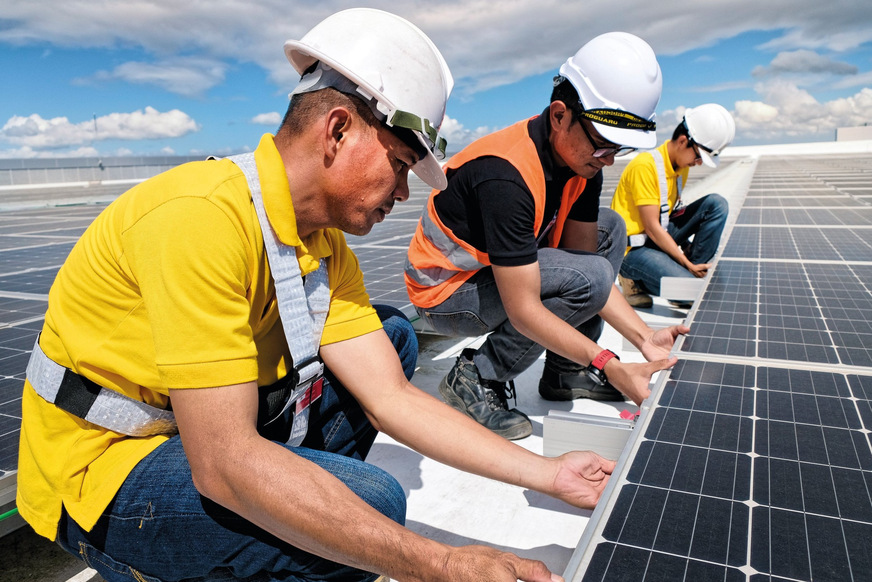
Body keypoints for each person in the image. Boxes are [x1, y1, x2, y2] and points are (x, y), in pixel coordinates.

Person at [17, 9, 616, 582]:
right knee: (374, 504)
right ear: (338, 130)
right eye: (403, 163)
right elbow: (224, 464)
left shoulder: (325, 247)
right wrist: (440, 564)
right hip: (103, 471)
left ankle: (295, 528)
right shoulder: (199, 221)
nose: (404, 192)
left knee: (392, 342)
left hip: (196, 432)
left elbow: (391, 399)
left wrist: (549, 475)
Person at [404, 32, 690, 441]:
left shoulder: (583, 162)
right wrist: (607, 362)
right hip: (447, 294)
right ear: (560, 116)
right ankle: (475, 376)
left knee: (608, 230)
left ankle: (563, 371)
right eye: (604, 145)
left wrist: (646, 338)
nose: (607, 159)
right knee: (587, 276)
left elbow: (588, 265)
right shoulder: (506, 175)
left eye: (618, 150)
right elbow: (526, 309)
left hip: (490, 276)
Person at [611, 103, 735, 308]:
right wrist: (684, 262)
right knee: (691, 292)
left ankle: (687, 275)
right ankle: (633, 279)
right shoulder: (645, 166)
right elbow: (651, 226)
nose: (698, 163)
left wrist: (686, 248)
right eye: (698, 156)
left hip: (656, 237)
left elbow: (666, 216)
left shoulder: (680, 167)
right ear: (683, 141)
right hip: (633, 250)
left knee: (716, 205)